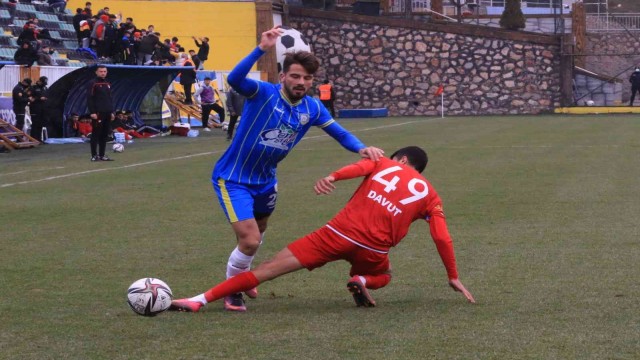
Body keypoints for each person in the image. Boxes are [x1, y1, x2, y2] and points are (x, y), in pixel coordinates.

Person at [206, 25, 383, 312]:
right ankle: (233, 290)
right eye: (296, 76)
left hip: (266, 180)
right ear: (283, 76)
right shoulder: (262, 93)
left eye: (307, 78)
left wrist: (362, 148)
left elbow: (340, 133)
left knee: (260, 229)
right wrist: (261, 48)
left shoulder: (312, 108)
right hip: (233, 178)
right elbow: (236, 78)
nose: (301, 82)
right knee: (250, 240)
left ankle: (244, 276)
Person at [170, 146, 475, 313]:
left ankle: (198, 300)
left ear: (402, 159)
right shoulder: (431, 195)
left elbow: (358, 168)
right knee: (384, 275)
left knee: (267, 270)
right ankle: (361, 279)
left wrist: (332, 176)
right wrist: (452, 276)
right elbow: (441, 236)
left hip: (336, 235)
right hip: (374, 249)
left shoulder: (383, 164)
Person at [87, 65, 114, 161]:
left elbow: (110, 98)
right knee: (96, 134)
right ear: (96, 72)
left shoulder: (108, 82)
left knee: (104, 134)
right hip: (98, 113)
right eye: (101, 71)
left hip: (107, 112)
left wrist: (111, 112)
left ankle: (102, 155)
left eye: (105, 71)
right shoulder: (92, 83)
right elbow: (90, 98)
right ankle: (94, 155)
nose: (103, 73)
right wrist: (92, 112)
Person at [29, 76, 49, 142]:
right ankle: (33, 139)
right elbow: (30, 98)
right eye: (43, 83)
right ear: (39, 81)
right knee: (35, 124)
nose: (44, 84)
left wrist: (45, 98)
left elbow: (47, 96)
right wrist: (39, 98)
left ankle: (39, 139)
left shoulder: (45, 88)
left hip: (43, 109)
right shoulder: (33, 88)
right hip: (35, 108)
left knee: (40, 124)